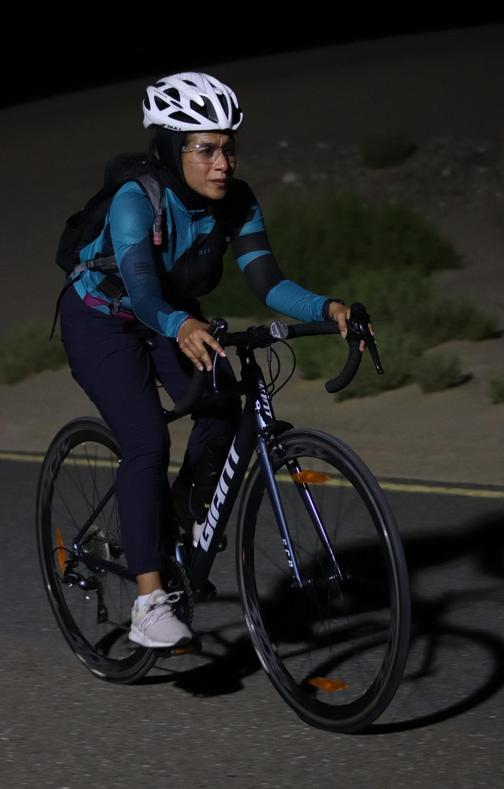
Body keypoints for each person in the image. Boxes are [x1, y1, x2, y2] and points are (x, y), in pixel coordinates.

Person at [59, 71, 351, 649]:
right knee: (146, 441)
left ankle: (179, 518)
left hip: (172, 313)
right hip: (102, 319)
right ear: (173, 149)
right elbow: (142, 289)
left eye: (228, 148)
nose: (223, 164)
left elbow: (268, 283)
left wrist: (329, 307)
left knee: (222, 407)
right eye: (205, 150)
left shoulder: (236, 201)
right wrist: (180, 323)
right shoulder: (136, 199)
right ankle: (148, 603)